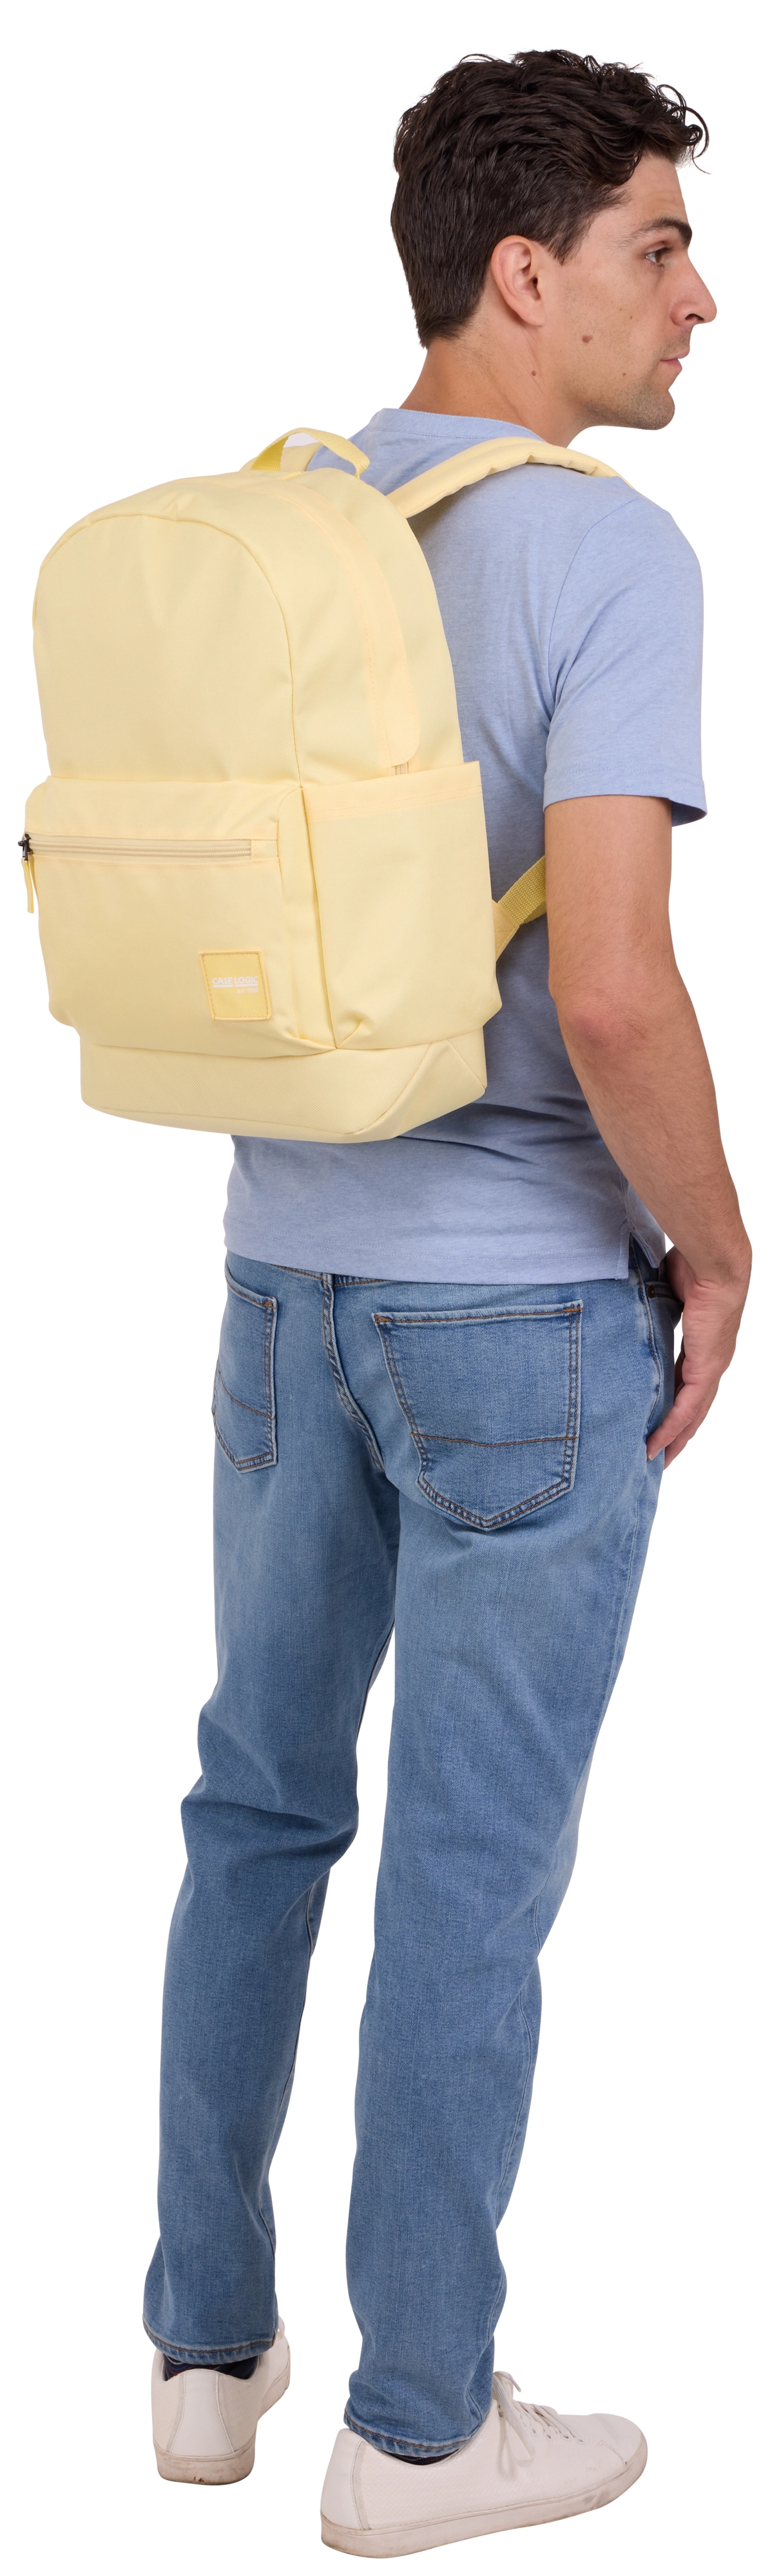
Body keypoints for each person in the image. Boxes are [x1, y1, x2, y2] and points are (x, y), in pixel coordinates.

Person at [146, 48, 751, 2552]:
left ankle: (205, 2352)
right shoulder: (605, 560)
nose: (699, 299)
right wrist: (718, 1245)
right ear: (524, 272)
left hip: (280, 1281)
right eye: (657, 246)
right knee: (469, 1870)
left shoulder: (280, 519)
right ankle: (418, 2427)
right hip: (515, 1316)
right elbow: (606, 987)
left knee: (258, 1803)